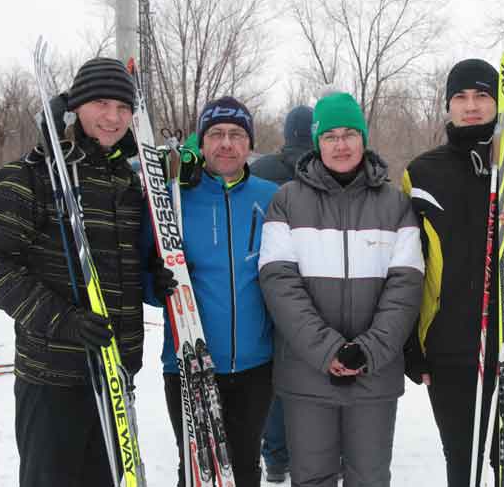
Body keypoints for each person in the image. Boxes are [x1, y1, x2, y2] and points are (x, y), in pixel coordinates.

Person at [0, 58, 145, 487]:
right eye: (101, 103)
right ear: (74, 107)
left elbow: (115, 267)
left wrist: (150, 275)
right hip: (53, 379)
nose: (113, 117)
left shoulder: (125, 182)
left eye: (123, 106)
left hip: (114, 376)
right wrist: (61, 320)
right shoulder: (28, 176)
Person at [401, 58, 504, 487]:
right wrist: (410, 343)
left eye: (482, 96)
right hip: (449, 345)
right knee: (462, 462)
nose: (471, 106)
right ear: (447, 105)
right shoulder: (420, 174)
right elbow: (404, 265)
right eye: (460, 97)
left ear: (499, 103)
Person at [258, 92, 424, 487]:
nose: (342, 144)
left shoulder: (395, 205)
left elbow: (405, 286)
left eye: (351, 133)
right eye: (331, 135)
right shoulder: (286, 202)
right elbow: (280, 284)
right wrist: (328, 350)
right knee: (313, 478)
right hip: (308, 374)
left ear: (364, 139)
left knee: (368, 477)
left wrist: (368, 350)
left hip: (375, 375)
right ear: (317, 142)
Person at [145, 96, 278, 487]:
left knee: (246, 467)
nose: (226, 143)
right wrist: (155, 282)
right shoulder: (173, 198)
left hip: (255, 366)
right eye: (216, 134)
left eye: (236, 135)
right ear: (201, 143)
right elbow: (146, 278)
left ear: (249, 144)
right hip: (189, 363)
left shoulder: (272, 197)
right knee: (198, 470)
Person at [251, 104, 313, 483]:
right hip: (316, 291)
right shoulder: (324, 173)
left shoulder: (260, 173)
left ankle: (276, 457)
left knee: (275, 377)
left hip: (268, 287)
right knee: (315, 373)